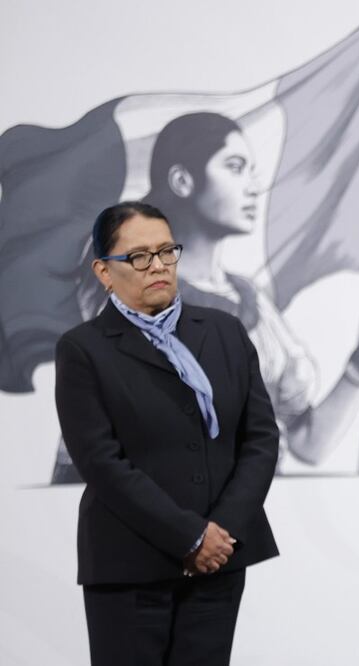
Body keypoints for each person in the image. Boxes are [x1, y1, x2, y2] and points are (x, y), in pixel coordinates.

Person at [51, 112, 359, 482]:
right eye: (235, 167)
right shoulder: (130, 296)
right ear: (183, 180)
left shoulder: (254, 303)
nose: (252, 186)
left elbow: (308, 442)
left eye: (250, 170)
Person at [54, 202, 279, 665]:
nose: (157, 265)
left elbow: (260, 440)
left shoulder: (225, 331)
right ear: (103, 271)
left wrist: (222, 533)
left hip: (219, 563)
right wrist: (190, 537)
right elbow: (102, 463)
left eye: (166, 251)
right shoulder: (83, 350)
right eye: (138, 256)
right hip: (130, 566)